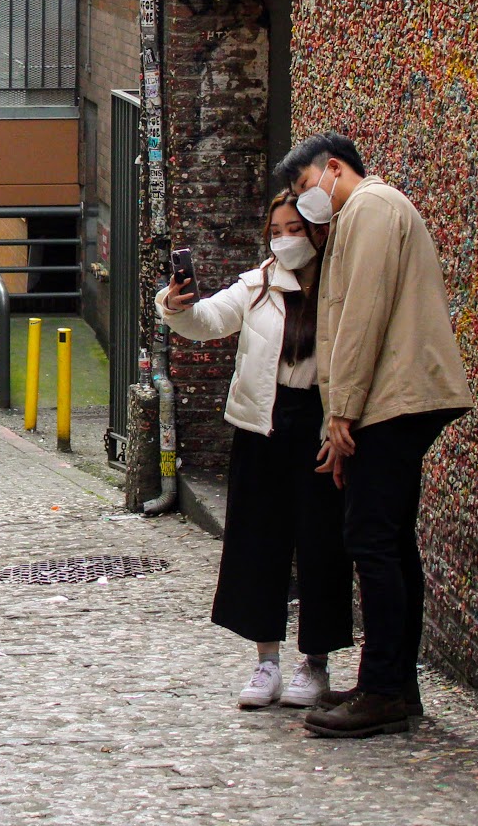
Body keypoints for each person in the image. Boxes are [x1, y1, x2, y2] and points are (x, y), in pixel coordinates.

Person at [275, 131, 474, 739]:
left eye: (306, 186)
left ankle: (387, 688)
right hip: (389, 399)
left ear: (333, 168)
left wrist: (341, 417)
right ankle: (392, 683)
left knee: (373, 538)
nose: (306, 202)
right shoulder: (361, 217)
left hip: (394, 398)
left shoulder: (372, 208)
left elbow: (360, 317)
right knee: (385, 537)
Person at [159, 189, 353, 711]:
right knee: (255, 543)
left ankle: (315, 663)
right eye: (277, 230)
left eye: (295, 228)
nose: (285, 239)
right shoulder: (259, 283)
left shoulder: (340, 286)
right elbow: (207, 321)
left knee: (321, 544)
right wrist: (174, 306)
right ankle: (266, 659)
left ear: (318, 230)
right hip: (260, 422)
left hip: (319, 423)